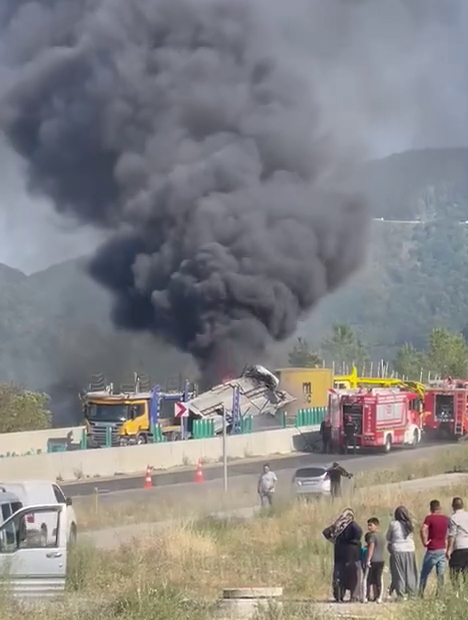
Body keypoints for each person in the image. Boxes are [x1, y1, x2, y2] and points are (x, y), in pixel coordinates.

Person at [323, 508, 363, 602]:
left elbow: (326, 533)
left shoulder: (345, 527)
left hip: (346, 556)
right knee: (346, 577)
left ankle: (346, 596)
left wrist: (348, 522)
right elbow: (326, 533)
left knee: (346, 577)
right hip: (346, 556)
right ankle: (346, 596)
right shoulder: (345, 528)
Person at [386, 505, 418, 598]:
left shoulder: (393, 524)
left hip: (398, 550)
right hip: (410, 550)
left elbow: (388, 537)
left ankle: (401, 594)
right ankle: (412, 593)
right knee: (410, 572)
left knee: (399, 573)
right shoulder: (411, 524)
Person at [419, 499, 448, 597]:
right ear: (439, 508)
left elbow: (423, 529)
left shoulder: (429, 518)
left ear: (431, 508)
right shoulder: (445, 519)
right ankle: (440, 593)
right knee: (440, 573)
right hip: (443, 548)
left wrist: (424, 541)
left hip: (432, 548)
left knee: (425, 573)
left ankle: (421, 593)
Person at [446, 496, 468, 585]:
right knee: (466, 572)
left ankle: (457, 591)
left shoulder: (453, 518)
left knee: (454, 572)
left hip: (459, 547)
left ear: (453, 506)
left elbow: (452, 535)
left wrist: (449, 549)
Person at [364, 517, 385, 603]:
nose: (369, 527)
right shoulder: (381, 536)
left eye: (370, 525)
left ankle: (366, 597)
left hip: (373, 560)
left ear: (376, 526)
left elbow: (371, 548)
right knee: (378, 579)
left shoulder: (372, 536)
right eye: (368, 525)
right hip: (381, 560)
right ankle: (379, 597)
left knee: (368, 579)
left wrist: (368, 560)